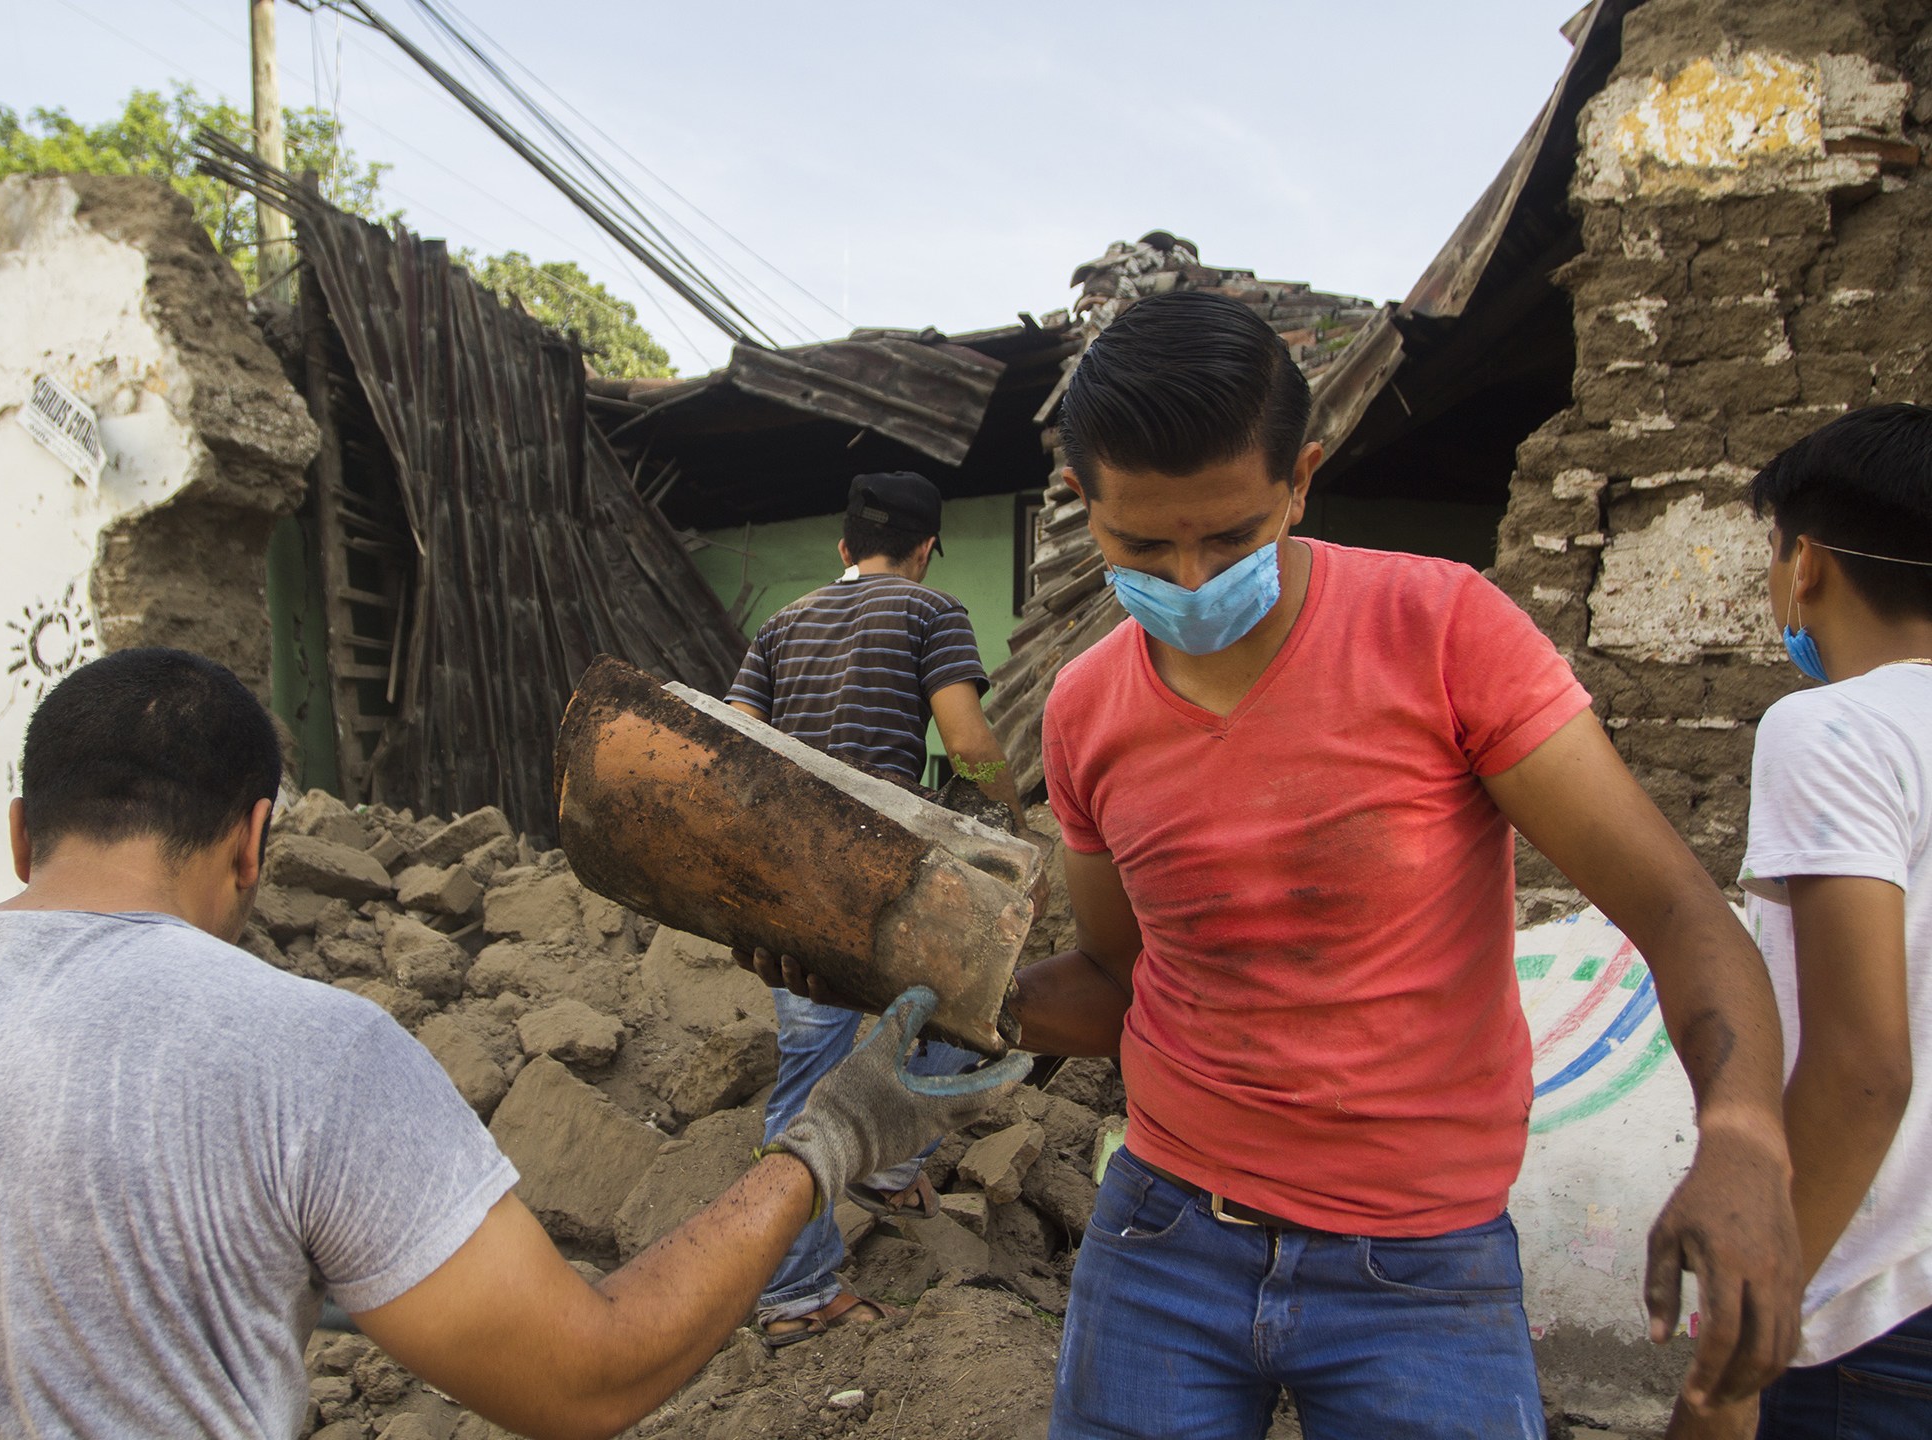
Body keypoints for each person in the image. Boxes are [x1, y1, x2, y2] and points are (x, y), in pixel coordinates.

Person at [750, 291, 1802, 1437]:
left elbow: (1679, 910)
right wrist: (882, 972)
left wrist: (1743, 1138)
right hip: (1162, 1242)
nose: (1192, 580)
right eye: (1143, 545)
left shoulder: (1443, 632)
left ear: (1300, 481)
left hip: (1420, 1265)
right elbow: (1116, 981)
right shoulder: (1088, 707)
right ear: (1078, 505)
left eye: (1233, 535)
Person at [0, 647, 1025, 1439]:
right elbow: (586, 1377)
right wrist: (843, 1131)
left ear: (22, 835)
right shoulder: (300, 1057)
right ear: (253, 840)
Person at [1671, 405, 1932, 1440]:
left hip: (1883, 1315)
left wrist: (1732, 1365)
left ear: (1805, 563)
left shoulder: (1837, 729)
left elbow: (1863, 1068)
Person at [725, 470, 1033, 1345]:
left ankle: (876, 1177)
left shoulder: (780, 626)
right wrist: (1007, 831)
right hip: (887, 883)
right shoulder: (930, 614)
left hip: (788, 879)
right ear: (928, 549)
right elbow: (968, 742)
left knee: (810, 1069)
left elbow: (737, 740)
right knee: (961, 1011)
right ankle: (800, 1284)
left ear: (842, 550)